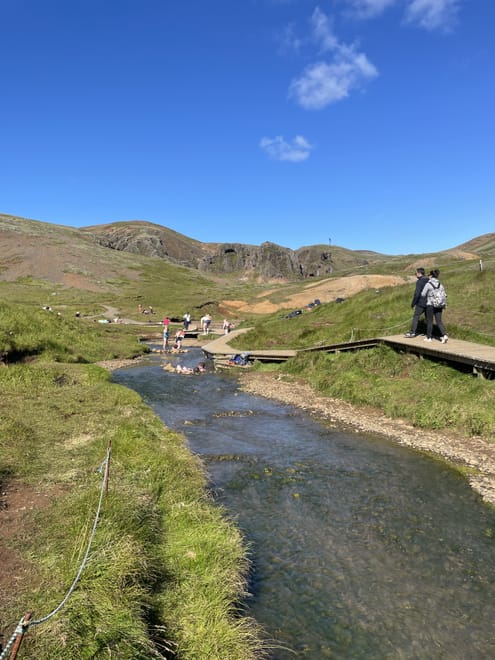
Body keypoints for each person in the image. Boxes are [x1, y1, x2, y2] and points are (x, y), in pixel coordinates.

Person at [421, 269, 448, 343]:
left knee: (429, 321)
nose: (428, 276)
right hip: (439, 305)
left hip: (430, 304)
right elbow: (444, 295)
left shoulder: (428, 284)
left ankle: (429, 337)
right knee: (439, 321)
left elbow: (423, 294)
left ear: (431, 276)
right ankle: (444, 335)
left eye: (429, 275)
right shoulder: (440, 285)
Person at [404, 267, 429, 338]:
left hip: (421, 303)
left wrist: (413, 303)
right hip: (429, 302)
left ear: (419, 273)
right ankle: (428, 333)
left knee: (416, 317)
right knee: (428, 319)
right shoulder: (428, 280)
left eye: (416, 273)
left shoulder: (419, 282)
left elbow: (417, 294)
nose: (415, 274)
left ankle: (412, 333)